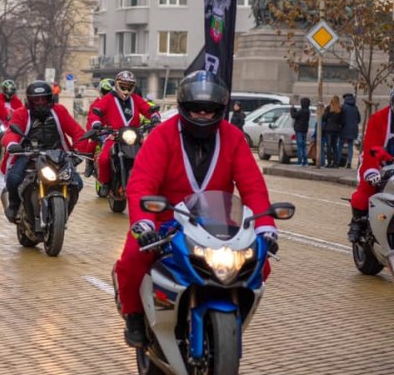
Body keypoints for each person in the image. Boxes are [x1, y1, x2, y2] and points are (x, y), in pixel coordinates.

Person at [114, 70, 278, 348]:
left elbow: (253, 187)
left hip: (218, 226)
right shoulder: (162, 135)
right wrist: (143, 223)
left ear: (220, 109)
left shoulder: (234, 138)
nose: (202, 114)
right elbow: (141, 183)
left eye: (210, 109)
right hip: (166, 224)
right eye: (195, 108)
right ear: (182, 107)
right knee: (132, 257)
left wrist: (266, 227)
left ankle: (234, 314)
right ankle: (133, 314)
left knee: (260, 265)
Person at [1, 80, 86, 221]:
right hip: (28, 154)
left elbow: (77, 132)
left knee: (77, 183)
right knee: (14, 178)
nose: (40, 102)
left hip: (57, 156)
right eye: (36, 100)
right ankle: (14, 205)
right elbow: (11, 132)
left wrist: (78, 151)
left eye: (44, 99)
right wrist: (12, 144)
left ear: (50, 99)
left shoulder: (60, 111)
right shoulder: (21, 114)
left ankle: (64, 212)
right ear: (29, 100)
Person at [84, 71, 160, 196]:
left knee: (150, 157)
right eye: (123, 86)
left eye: (129, 86)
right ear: (117, 84)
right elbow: (96, 111)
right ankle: (105, 183)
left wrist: (155, 117)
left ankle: (149, 184)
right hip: (114, 136)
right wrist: (96, 123)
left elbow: (148, 109)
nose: (126, 89)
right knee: (103, 159)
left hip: (135, 136)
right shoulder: (109, 98)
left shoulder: (135, 98)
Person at [348, 89, 394, 243]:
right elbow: (371, 148)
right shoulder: (379, 119)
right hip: (379, 164)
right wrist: (372, 171)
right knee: (366, 190)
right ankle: (358, 222)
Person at [340, 93, 361, 169]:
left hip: (344, 129)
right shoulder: (356, 107)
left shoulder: (343, 107)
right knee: (350, 146)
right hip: (353, 130)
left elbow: (341, 119)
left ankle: (338, 161)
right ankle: (349, 162)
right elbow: (359, 119)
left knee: (340, 145)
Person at [322, 95, 344, 168]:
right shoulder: (340, 110)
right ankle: (335, 163)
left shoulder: (328, 108)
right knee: (335, 146)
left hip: (328, 129)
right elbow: (342, 121)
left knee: (329, 146)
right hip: (336, 130)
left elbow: (324, 118)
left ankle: (329, 162)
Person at [290, 97, 311, 167]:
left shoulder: (302, 111)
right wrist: (295, 110)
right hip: (304, 130)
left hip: (299, 130)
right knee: (304, 146)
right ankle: (305, 161)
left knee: (300, 146)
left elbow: (293, 115)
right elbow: (297, 115)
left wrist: (292, 109)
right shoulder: (307, 111)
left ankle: (299, 161)